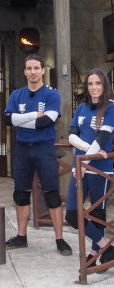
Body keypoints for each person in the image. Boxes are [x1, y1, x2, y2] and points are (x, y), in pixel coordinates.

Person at [3, 53, 72, 256]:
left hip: (44, 148)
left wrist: (20, 119)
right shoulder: (16, 95)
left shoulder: (52, 94)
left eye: (36, 68)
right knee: (20, 193)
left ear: (43, 70)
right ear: (25, 71)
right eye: (29, 68)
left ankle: (60, 239)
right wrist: (33, 116)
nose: (33, 72)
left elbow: (47, 122)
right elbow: (7, 119)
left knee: (51, 194)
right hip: (22, 149)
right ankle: (21, 236)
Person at [65, 68, 114, 269]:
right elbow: (71, 137)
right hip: (80, 166)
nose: (94, 87)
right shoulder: (81, 108)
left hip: (100, 169)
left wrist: (86, 160)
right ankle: (106, 247)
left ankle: (95, 254)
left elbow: (102, 137)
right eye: (90, 83)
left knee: (97, 214)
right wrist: (86, 154)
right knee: (72, 213)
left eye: (98, 83)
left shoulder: (111, 108)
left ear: (104, 86)